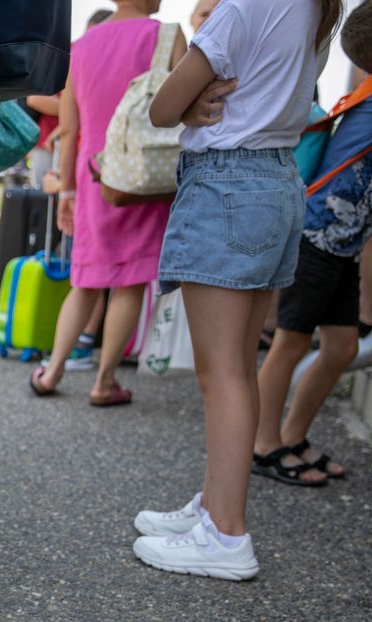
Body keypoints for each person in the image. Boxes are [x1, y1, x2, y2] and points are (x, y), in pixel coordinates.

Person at [132, 0, 342, 579]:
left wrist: (192, 100)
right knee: (237, 370)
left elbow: (162, 107)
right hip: (275, 179)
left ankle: (225, 534)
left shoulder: (248, 5)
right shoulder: (318, 11)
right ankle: (215, 506)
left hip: (229, 182)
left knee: (221, 372)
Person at [29, 1, 187, 406]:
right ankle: (103, 381)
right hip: (142, 173)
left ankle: (52, 371)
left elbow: (70, 127)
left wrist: (66, 190)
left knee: (84, 281)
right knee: (130, 282)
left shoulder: (80, 47)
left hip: (93, 173)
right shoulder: (165, 35)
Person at [253, 4, 372, 487]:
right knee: (291, 342)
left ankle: (293, 436)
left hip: (340, 243)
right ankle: (262, 446)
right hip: (317, 238)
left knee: (341, 347)